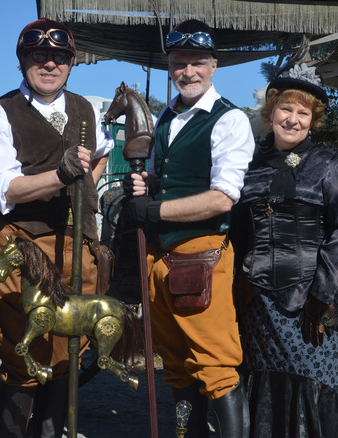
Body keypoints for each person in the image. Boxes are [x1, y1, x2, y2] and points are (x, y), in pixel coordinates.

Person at [0, 18, 114, 438]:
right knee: (25, 357)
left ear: (71, 64)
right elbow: (5, 187)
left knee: (68, 350)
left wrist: (85, 184)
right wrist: (63, 175)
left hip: (77, 249)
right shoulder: (1, 112)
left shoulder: (86, 108)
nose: (49, 64)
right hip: (22, 249)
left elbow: (101, 153)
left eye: (59, 57)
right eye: (38, 56)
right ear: (23, 62)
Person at [125, 19, 255, 438]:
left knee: (215, 364)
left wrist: (156, 211)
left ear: (213, 66)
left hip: (201, 257)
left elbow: (222, 198)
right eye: (180, 63)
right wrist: (144, 190)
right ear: (170, 67)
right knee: (177, 364)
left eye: (197, 63)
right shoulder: (165, 116)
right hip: (160, 259)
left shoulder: (228, 120)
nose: (188, 72)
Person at [230, 62, 338, 436]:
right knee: (265, 391)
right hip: (258, 305)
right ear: (271, 111)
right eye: (286, 109)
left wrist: (321, 294)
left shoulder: (331, 163)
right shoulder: (248, 162)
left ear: (313, 121)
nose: (293, 119)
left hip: (311, 304)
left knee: (313, 394)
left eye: (303, 113)